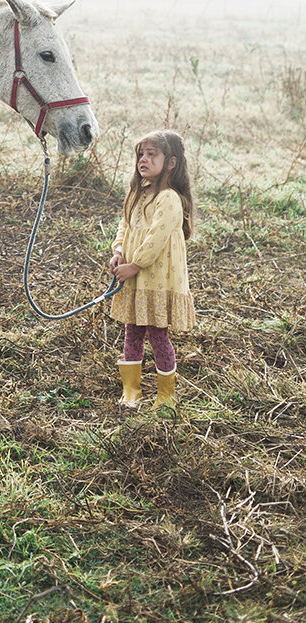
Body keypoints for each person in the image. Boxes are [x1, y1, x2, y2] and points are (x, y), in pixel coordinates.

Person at [108, 129, 196, 412]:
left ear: (171, 162)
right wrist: (119, 251)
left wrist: (135, 265)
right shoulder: (138, 191)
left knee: (158, 335)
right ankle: (131, 392)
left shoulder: (169, 198)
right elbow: (125, 224)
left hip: (156, 278)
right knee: (131, 331)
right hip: (135, 277)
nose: (143, 160)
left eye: (151, 154)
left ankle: (165, 397)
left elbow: (156, 239)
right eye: (140, 154)